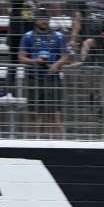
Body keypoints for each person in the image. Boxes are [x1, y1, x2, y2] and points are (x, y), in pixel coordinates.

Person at [18, 7, 69, 136]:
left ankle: (58, 143)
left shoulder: (58, 36)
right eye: (41, 18)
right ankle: (32, 142)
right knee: (34, 114)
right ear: (35, 20)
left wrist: (56, 65)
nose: (44, 21)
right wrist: (35, 61)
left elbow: (65, 56)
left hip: (53, 78)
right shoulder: (28, 36)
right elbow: (21, 57)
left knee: (55, 114)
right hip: (34, 78)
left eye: (46, 18)